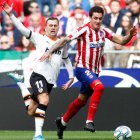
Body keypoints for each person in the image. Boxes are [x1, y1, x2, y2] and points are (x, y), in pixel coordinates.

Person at [39, 5, 137, 139]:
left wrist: (130, 35)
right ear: (90, 18)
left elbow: (121, 41)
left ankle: (62, 122)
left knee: (81, 101)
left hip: (95, 71)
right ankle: (89, 121)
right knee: (99, 86)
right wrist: (50, 50)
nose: (97, 21)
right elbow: (65, 40)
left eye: (100, 18)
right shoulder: (83, 30)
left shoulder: (104, 31)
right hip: (81, 69)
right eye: (95, 18)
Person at [1, 2, 74, 140]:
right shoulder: (39, 38)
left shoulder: (62, 43)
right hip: (38, 76)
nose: (52, 28)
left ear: (58, 27)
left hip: (50, 81)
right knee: (45, 99)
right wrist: (11, 14)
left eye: (55, 26)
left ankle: (21, 84)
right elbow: (22, 29)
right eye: (50, 25)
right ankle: (38, 135)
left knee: (31, 111)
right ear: (45, 28)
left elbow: (67, 60)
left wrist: (71, 77)